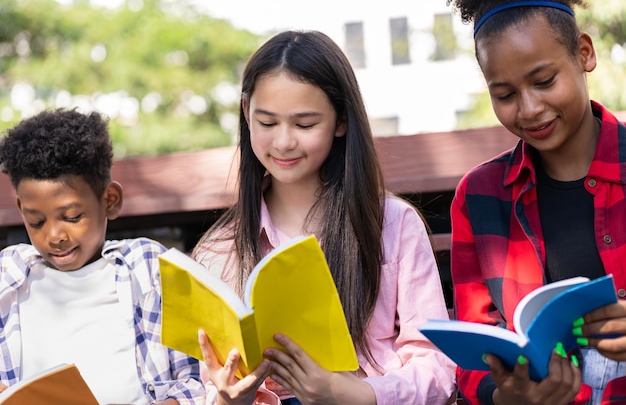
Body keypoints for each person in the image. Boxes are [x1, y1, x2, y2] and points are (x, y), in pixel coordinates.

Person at [191, 30, 457, 405]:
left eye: (304, 124)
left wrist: (357, 395)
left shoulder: (392, 225)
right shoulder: (220, 250)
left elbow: (438, 365)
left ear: (341, 121)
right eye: (267, 123)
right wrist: (228, 399)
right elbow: (208, 384)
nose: (283, 142)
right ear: (246, 113)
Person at [446, 0, 626, 404]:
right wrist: (508, 395)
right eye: (504, 95)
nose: (527, 109)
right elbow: (476, 350)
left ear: (584, 54)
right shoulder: (480, 196)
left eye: (544, 81)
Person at [0, 108, 205, 404]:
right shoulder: (9, 274)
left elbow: (192, 379)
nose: (54, 235)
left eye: (71, 217)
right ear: (21, 209)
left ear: (110, 200)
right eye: (36, 222)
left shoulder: (146, 267)